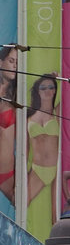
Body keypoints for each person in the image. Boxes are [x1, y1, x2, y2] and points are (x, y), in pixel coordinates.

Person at [26, 73, 59, 207]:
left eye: (51, 87)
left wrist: (60, 78)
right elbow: (26, 149)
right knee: (21, 203)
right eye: (43, 88)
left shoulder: (58, 113)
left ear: (55, 90)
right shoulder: (28, 117)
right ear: (37, 91)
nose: (47, 91)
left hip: (55, 168)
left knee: (55, 215)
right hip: (37, 169)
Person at [0, 45, 18, 208]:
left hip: (6, 172)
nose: (15, 66)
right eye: (11, 61)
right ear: (1, 62)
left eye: (17, 63)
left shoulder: (17, 96)